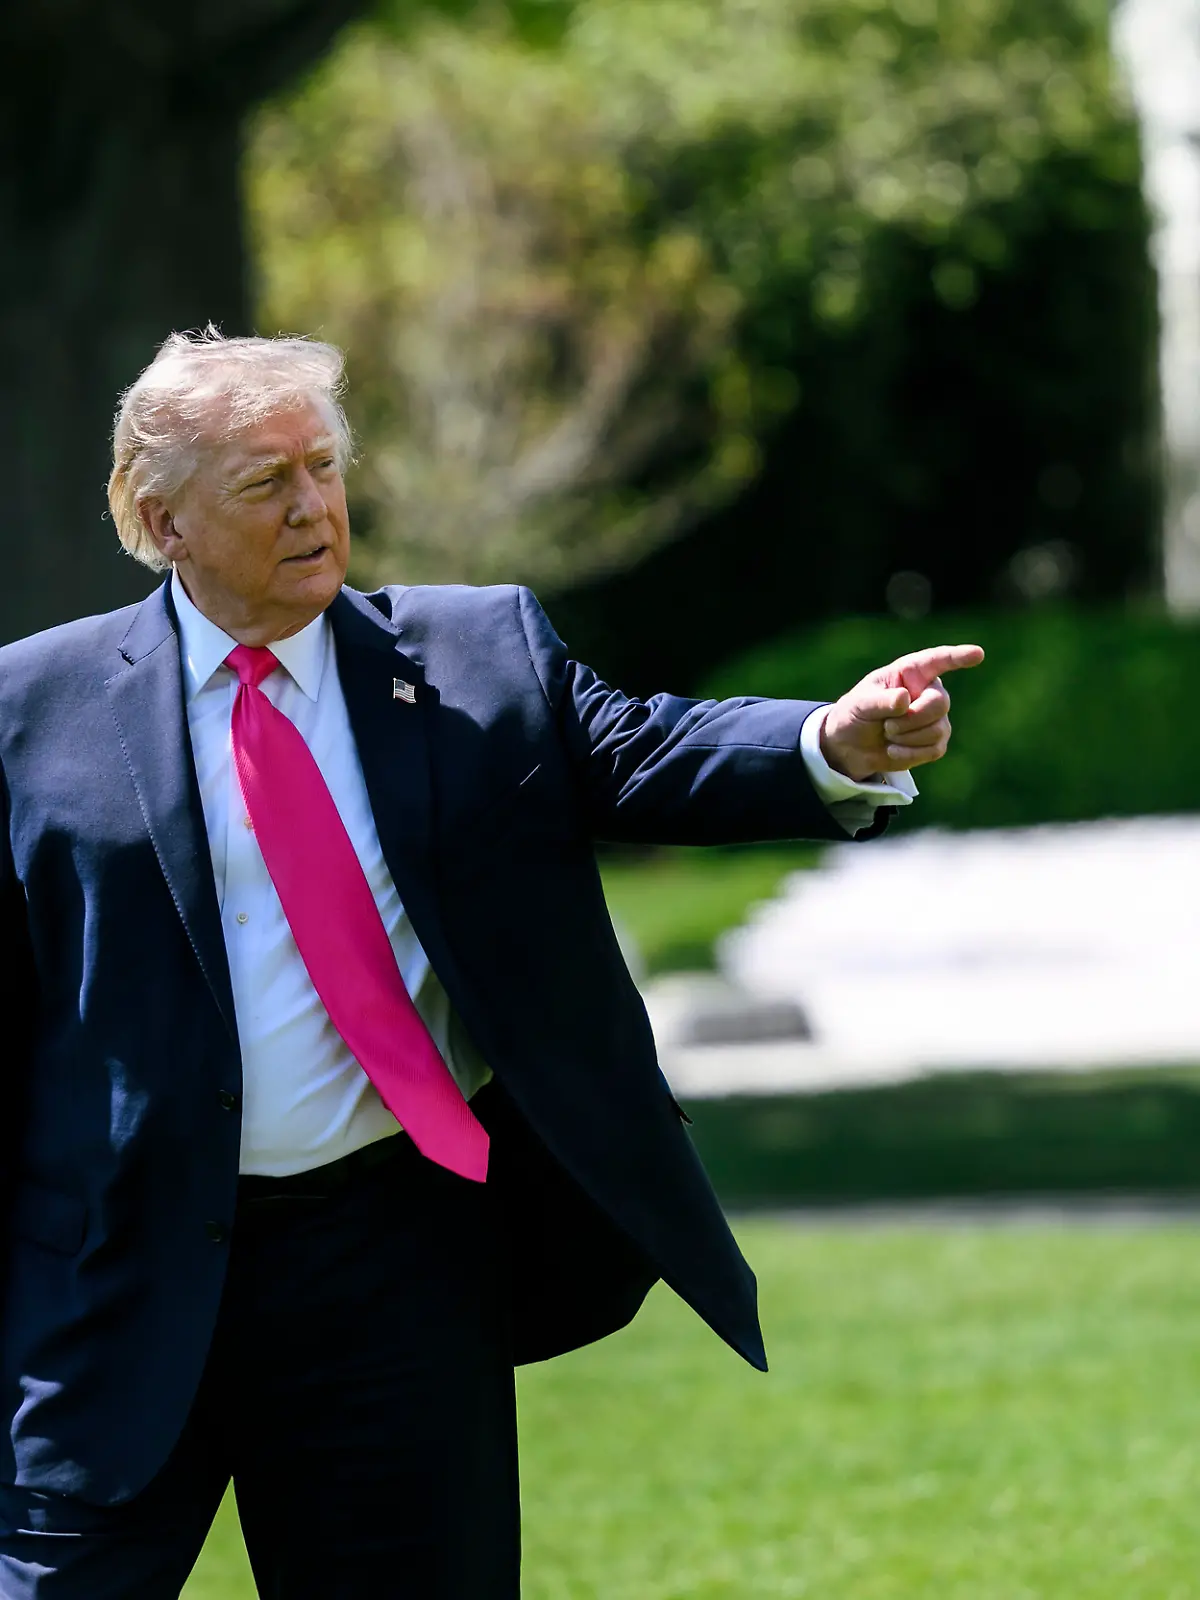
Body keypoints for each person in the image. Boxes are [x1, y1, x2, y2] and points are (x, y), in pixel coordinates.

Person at [0, 331, 982, 1598]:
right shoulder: (33, 711)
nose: (313, 506)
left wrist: (831, 740)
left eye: (323, 466)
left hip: (391, 1265)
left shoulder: (475, 657)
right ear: (160, 518)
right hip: (114, 1276)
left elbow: (645, 749)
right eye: (264, 483)